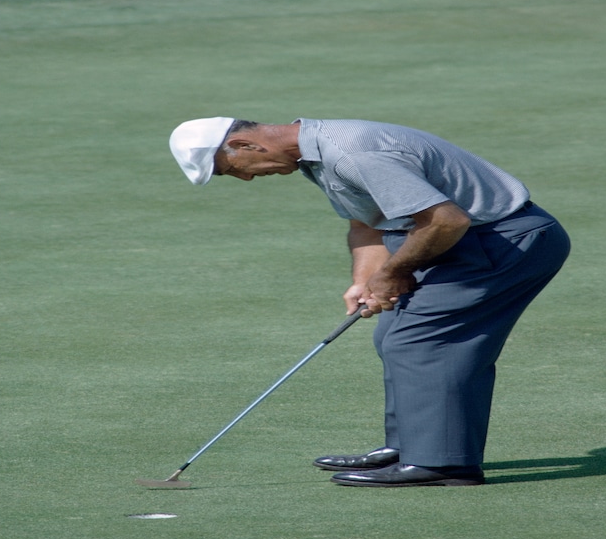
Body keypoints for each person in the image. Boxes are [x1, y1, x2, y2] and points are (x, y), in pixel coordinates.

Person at [168, 117, 570, 487]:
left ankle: (443, 464)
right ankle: (412, 447)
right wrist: (364, 280)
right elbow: (367, 222)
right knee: (392, 334)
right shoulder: (318, 156)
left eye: (231, 169)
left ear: (244, 144)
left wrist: (393, 273)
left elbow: (448, 220)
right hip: (455, 244)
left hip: (501, 241)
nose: (245, 180)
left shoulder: (351, 154)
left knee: (422, 341)